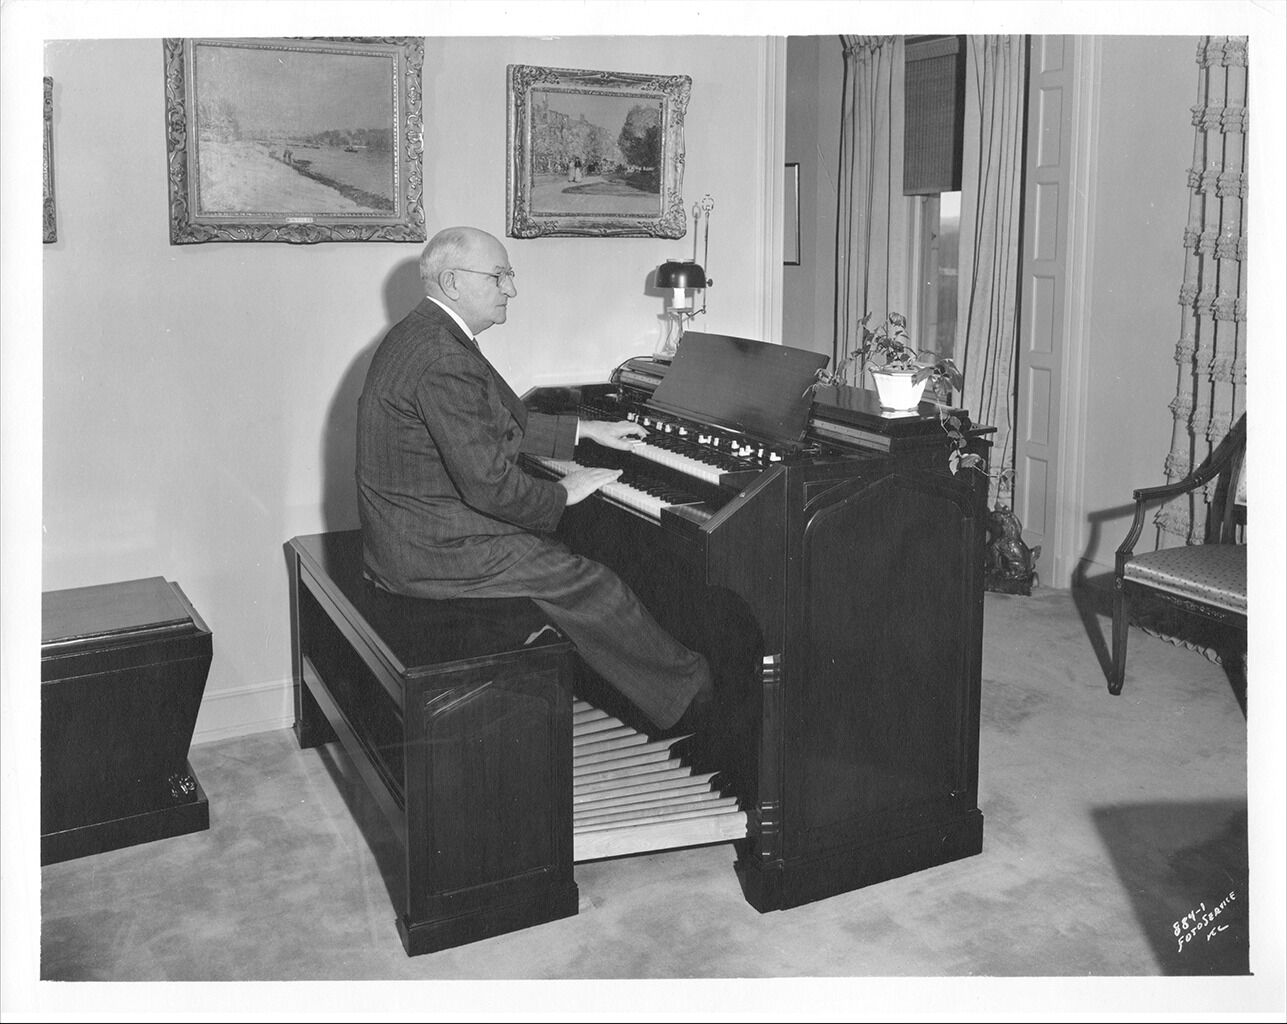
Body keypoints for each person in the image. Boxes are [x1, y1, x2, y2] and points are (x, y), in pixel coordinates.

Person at [356, 226, 713, 732]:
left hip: (410, 529)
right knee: (591, 581)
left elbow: (491, 421)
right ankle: (699, 698)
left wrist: (587, 429)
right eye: (500, 275)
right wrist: (566, 490)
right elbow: (489, 485)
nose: (512, 288)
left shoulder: (429, 332)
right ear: (453, 281)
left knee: (579, 546)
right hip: (429, 548)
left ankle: (641, 685)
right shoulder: (443, 355)